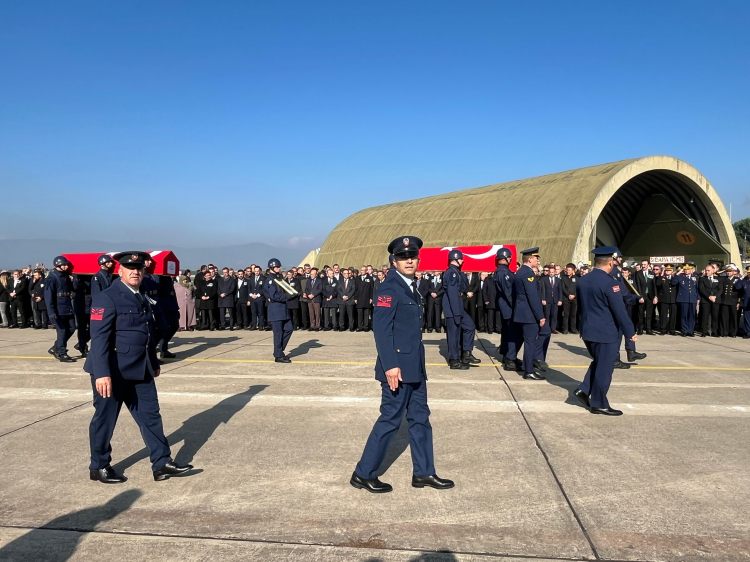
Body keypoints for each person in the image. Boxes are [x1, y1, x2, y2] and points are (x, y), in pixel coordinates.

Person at [351, 236, 454, 494]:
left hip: (415, 367)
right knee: (390, 419)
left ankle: (424, 472)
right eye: (402, 257)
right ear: (394, 261)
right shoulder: (389, 288)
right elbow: (381, 330)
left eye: (412, 257)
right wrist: (390, 366)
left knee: (420, 419)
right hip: (397, 368)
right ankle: (363, 473)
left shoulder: (412, 286)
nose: (409, 261)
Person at [85, 251, 194, 484]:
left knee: (151, 416)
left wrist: (153, 362)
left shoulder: (142, 295)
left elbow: (147, 333)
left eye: (139, 268)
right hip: (113, 372)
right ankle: (99, 466)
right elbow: (99, 338)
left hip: (140, 369)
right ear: (120, 270)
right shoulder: (107, 297)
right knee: (105, 420)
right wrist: (102, 373)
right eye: (130, 268)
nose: (135, 272)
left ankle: (161, 463)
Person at [574, 246, 637, 416]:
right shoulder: (610, 283)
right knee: (605, 368)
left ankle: (584, 390)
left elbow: (581, 307)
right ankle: (599, 403)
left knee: (599, 362)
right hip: (605, 332)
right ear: (610, 263)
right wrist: (630, 332)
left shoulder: (583, 280)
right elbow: (620, 311)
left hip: (588, 329)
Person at [442, 250, 479, 370]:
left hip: (458, 307)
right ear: (455, 259)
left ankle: (466, 354)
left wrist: (462, 275)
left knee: (470, 326)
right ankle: (454, 360)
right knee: (454, 335)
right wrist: (456, 313)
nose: (463, 261)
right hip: (453, 309)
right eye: (461, 259)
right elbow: (452, 294)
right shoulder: (451, 273)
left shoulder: (457, 272)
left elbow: (463, 287)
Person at [512, 248, 545, 380]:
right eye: (536, 258)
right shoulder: (528, 274)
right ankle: (529, 370)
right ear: (530, 259)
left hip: (522, 312)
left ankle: (528, 366)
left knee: (527, 340)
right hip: (529, 314)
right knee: (530, 342)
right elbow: (533, 297)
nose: (537, 260)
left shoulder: (521, 272)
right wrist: (540, 316)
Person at [44, 256, 77, 362]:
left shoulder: (66, 276)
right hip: (58, 308)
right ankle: (62, 352)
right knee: (62, 331)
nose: (66, 266)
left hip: (67, 306)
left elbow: (74, 289)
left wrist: (74, 279)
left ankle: (56, 347)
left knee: (72, 328)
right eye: (64, 265)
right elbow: (48, 296)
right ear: (58, 265)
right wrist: (51, 312)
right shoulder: (51, 278)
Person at [264, 259, 294, 363]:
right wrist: (288, 296)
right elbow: (274, 296)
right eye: (277, 267)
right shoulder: (270, 280)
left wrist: (293, 293)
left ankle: (279, 350)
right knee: (278, 333)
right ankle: (278, 355)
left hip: (283, 309)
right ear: (271, 268)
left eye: (279, 267)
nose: (279, 268)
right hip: (276, 310)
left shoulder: (278, 278)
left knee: (289, 329)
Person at [672, 263, 699, 336]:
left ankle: (690, 330)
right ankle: (684, 330)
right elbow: (673, 282)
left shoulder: (695, 277)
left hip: (692, 298)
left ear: (691, 270)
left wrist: (698, 298)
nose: (686, 271)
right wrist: (678, 273)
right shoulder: (680, 277)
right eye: (685, 269)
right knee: (684, 315)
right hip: (683, 299)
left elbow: (697, 288)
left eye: (688, 269)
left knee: (692, 316)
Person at [157, 274, 180, 357]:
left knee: (175, 326)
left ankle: (162, 347)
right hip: (164, 307)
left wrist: (176, 307)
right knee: (164, 329)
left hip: (172, 307)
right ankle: (163, 349)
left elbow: (173, 294)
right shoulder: (159, 278)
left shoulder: (169, 278)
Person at [698, 263, 721, 337]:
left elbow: (720, 289)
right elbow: (702, 289)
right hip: (706, 300)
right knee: (705, 316)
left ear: (713, 271)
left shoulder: (718, 279)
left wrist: (715, 296)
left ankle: (714, 331)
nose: (707, 272)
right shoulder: (702, 279)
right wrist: (709, 296)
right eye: (706, 270)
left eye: (708, 270)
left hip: (715, 300)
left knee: (715, 316)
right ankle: (704, 331)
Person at [72, 273, 92, 357]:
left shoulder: (93, 275)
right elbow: (75, 287)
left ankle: (81, 343)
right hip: (81, 303)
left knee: (93, 327)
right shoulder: (77, 276)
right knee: (82, 327)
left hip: (91, 303)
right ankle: (83, 348)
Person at [719, 264, 742, 337]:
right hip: (724, 301)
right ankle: (724, 332)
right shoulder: (723, 279)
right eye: (727, 271)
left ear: (733, 272)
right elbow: (715, 274)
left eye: (730, 271)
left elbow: (740, 292)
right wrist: (722, 271)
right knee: (724, 317)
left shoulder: (737, 280)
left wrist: (738, 302)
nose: (728, 273)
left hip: (733, 301)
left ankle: (733, 333)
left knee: (733, 318)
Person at [634, 260, 656, 335]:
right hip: (642, 296)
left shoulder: (652, 273)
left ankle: (648, 329)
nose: (643, 266)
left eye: (645, 264)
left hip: (650, 296)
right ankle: (640, 329)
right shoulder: (638, 273)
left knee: (649, 314)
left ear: (648, 265)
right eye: (642, 264)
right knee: (640, 313)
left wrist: (655, 296)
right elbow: (638, 286)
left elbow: (654, 286)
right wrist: (640, 296)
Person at [560, 264, 578, 334]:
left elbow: (577, 288)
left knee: (573, 315)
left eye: (569, 270)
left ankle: (573, 329)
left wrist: (574, 295)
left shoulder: (576, 278)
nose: (567, 271)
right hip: (566, 298)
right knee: (566, 314)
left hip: (574, 299)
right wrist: (568, 295)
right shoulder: (563, 278)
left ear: (573, 271)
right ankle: (565, 329)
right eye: (567, 270)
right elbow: (563, 288)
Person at [355, 265, 374, 332]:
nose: (361, 271)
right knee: (359, 313)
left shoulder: (370, 278)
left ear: (366, 271)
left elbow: (372, 289)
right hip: (359, 298)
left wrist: (371, 298)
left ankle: (366, 327)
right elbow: (356, 289)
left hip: (367, 298)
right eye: (361, 270)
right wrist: (355, 298)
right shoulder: (358, 278)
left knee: (366, 313)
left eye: (363, 270)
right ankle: (360, 326)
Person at [248, 265, 265, 330]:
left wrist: (258, 295)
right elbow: (249, 288)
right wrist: (251, 295)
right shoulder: (251, 278)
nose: (256, 272)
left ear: (260, 271)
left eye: (258, 271)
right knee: (253, 312)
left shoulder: (263, 278)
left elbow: (263, 288)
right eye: (255, 271)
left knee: (260, 312)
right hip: (252, 298)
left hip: (259, 298)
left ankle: (261, 325)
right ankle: (254, 325)